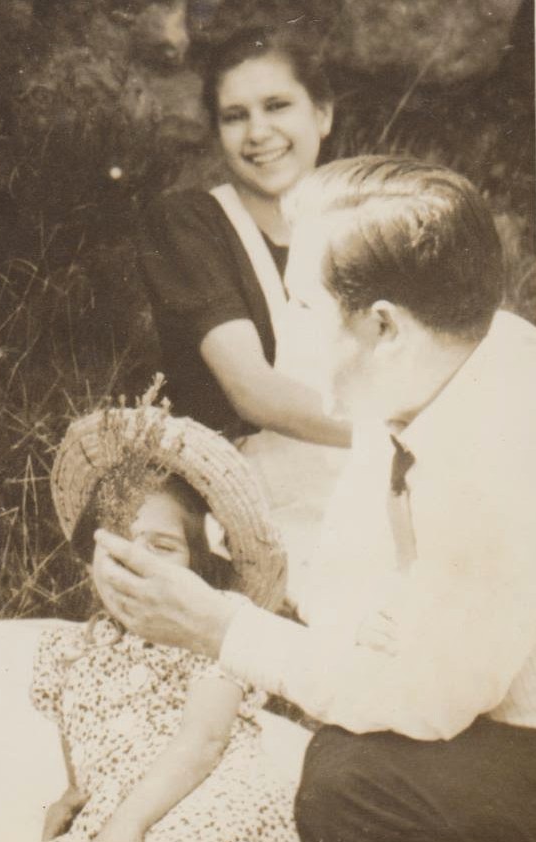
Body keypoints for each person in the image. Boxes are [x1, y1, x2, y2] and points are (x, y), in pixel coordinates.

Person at [94, 156, 536, 842]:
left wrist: (221, 627)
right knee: (345, 764)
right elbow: (341, 575)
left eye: (303, 308)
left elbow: (428, 705)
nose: (285, 339)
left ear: (383, 327)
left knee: (357, 788)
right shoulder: (424, 371)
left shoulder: (498, 452)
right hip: (486, 704)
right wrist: (373, 625)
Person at [0, 400, 320, 842]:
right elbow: (82, 750)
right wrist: (73, 798)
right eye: (118, 541)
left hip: (213, 803)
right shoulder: (70, 652)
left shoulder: (210, 632)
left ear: (199, 566)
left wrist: (124, 825)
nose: (136, 561)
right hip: (118, 817)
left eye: (163, 546)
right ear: (90, 554)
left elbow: (204, 743)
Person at [138, 26, 351, 592]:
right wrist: (400, 434)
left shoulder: (361, 225)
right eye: (235, 117)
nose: (259, 133)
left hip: (355, 475)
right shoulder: (190, 224)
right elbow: (252, 391)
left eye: (277, 106)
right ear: (217, 133)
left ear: (322, 115)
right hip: (242, 505)